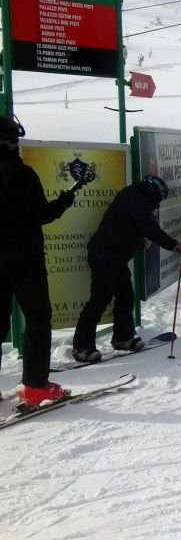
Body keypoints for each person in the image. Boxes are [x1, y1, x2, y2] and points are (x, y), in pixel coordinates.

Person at [0, 115, 77, 407]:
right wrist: (64, 202)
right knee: (37, 318)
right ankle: (35, 387)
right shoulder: (22, 174)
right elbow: (40, 215)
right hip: (24, 258)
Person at [71, 176, 181, 363]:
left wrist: (139, 240)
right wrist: (174, 245)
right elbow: (149, 227)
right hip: (104, 256)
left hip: (115, 256)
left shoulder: (135, 196)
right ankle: (82, 347)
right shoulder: (136, 198)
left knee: (126, 297)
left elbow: (126, 225)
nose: (157, 205)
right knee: (99, 300)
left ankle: (122, 338)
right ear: (154, 193)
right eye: (159, 199)